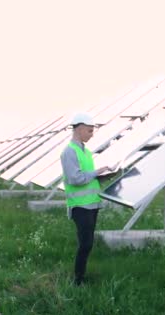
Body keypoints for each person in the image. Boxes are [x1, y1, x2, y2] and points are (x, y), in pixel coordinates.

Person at [60, 113, 110, 286]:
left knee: (88, 243)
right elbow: (75, 178)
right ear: (80, 129)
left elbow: (87, 177)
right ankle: (78, 280)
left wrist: (104, 175)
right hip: (80, 206)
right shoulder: (69, 152)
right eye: (89, 131)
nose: (92, 134)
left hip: (92, 204)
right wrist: (96, 173)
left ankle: (81, 276)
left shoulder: (86, 152)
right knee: (85, 244)